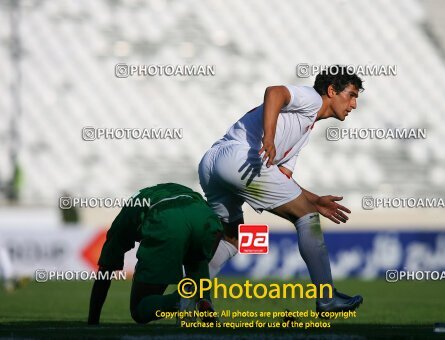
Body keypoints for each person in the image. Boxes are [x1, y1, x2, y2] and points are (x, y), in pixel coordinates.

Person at [198, 65, 364, 314]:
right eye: (351, 95)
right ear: (331, 91)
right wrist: (269, 138)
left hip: (212, 164)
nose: (353, 105)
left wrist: (315, 199)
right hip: (241, 156)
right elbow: (274, 92)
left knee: (231, 237)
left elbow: (282, 178)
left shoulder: (303, 131)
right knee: (307, 217)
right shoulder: (311, 99)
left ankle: (192, 298)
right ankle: (327, 299)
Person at [87, 183, 223, 324]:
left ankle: (180, 300)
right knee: (196, 258)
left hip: (166, 220)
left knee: (139, 310)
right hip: (203, 216)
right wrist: (201, 261)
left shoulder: (124, 218)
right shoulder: (175, 190)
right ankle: (203, 299)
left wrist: (93, 320)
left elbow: (105, 271)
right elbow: (216, 228)